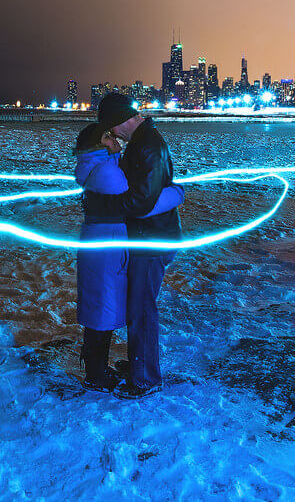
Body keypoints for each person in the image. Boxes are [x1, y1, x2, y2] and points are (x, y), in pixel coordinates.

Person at [82, 93, 182, 399]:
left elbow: (140, 202)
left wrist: (102, 204)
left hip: (152, 240)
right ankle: (140, 367)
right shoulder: (142, 143)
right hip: (144, 237)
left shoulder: (148, 145)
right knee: (136, 307)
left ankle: (146, 378)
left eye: (110, 130)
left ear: (119, 122)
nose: (112, 137)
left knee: (141, 310)